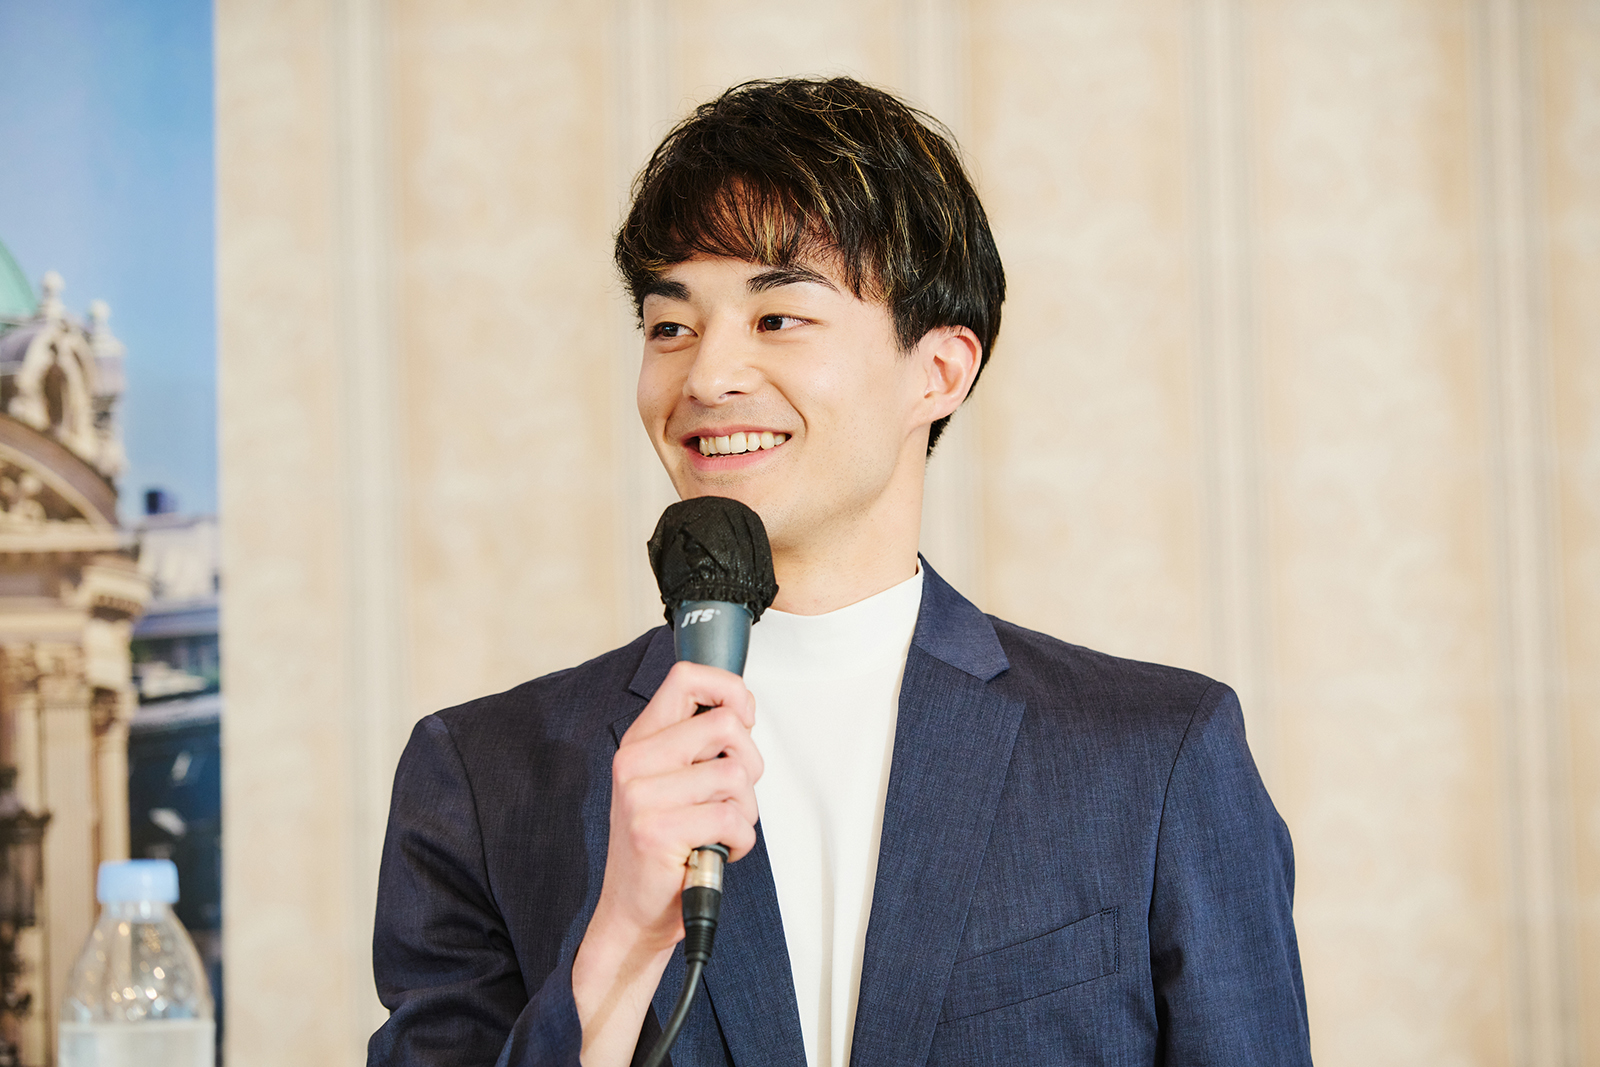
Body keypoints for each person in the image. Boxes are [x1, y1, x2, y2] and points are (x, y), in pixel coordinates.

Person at [369, 77, 1312, 1067]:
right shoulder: (483, 773)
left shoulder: (1153, 755)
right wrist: (616, 948)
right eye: (669, 325)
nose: (706, 377)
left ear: (939, 371)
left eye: (778, 319)